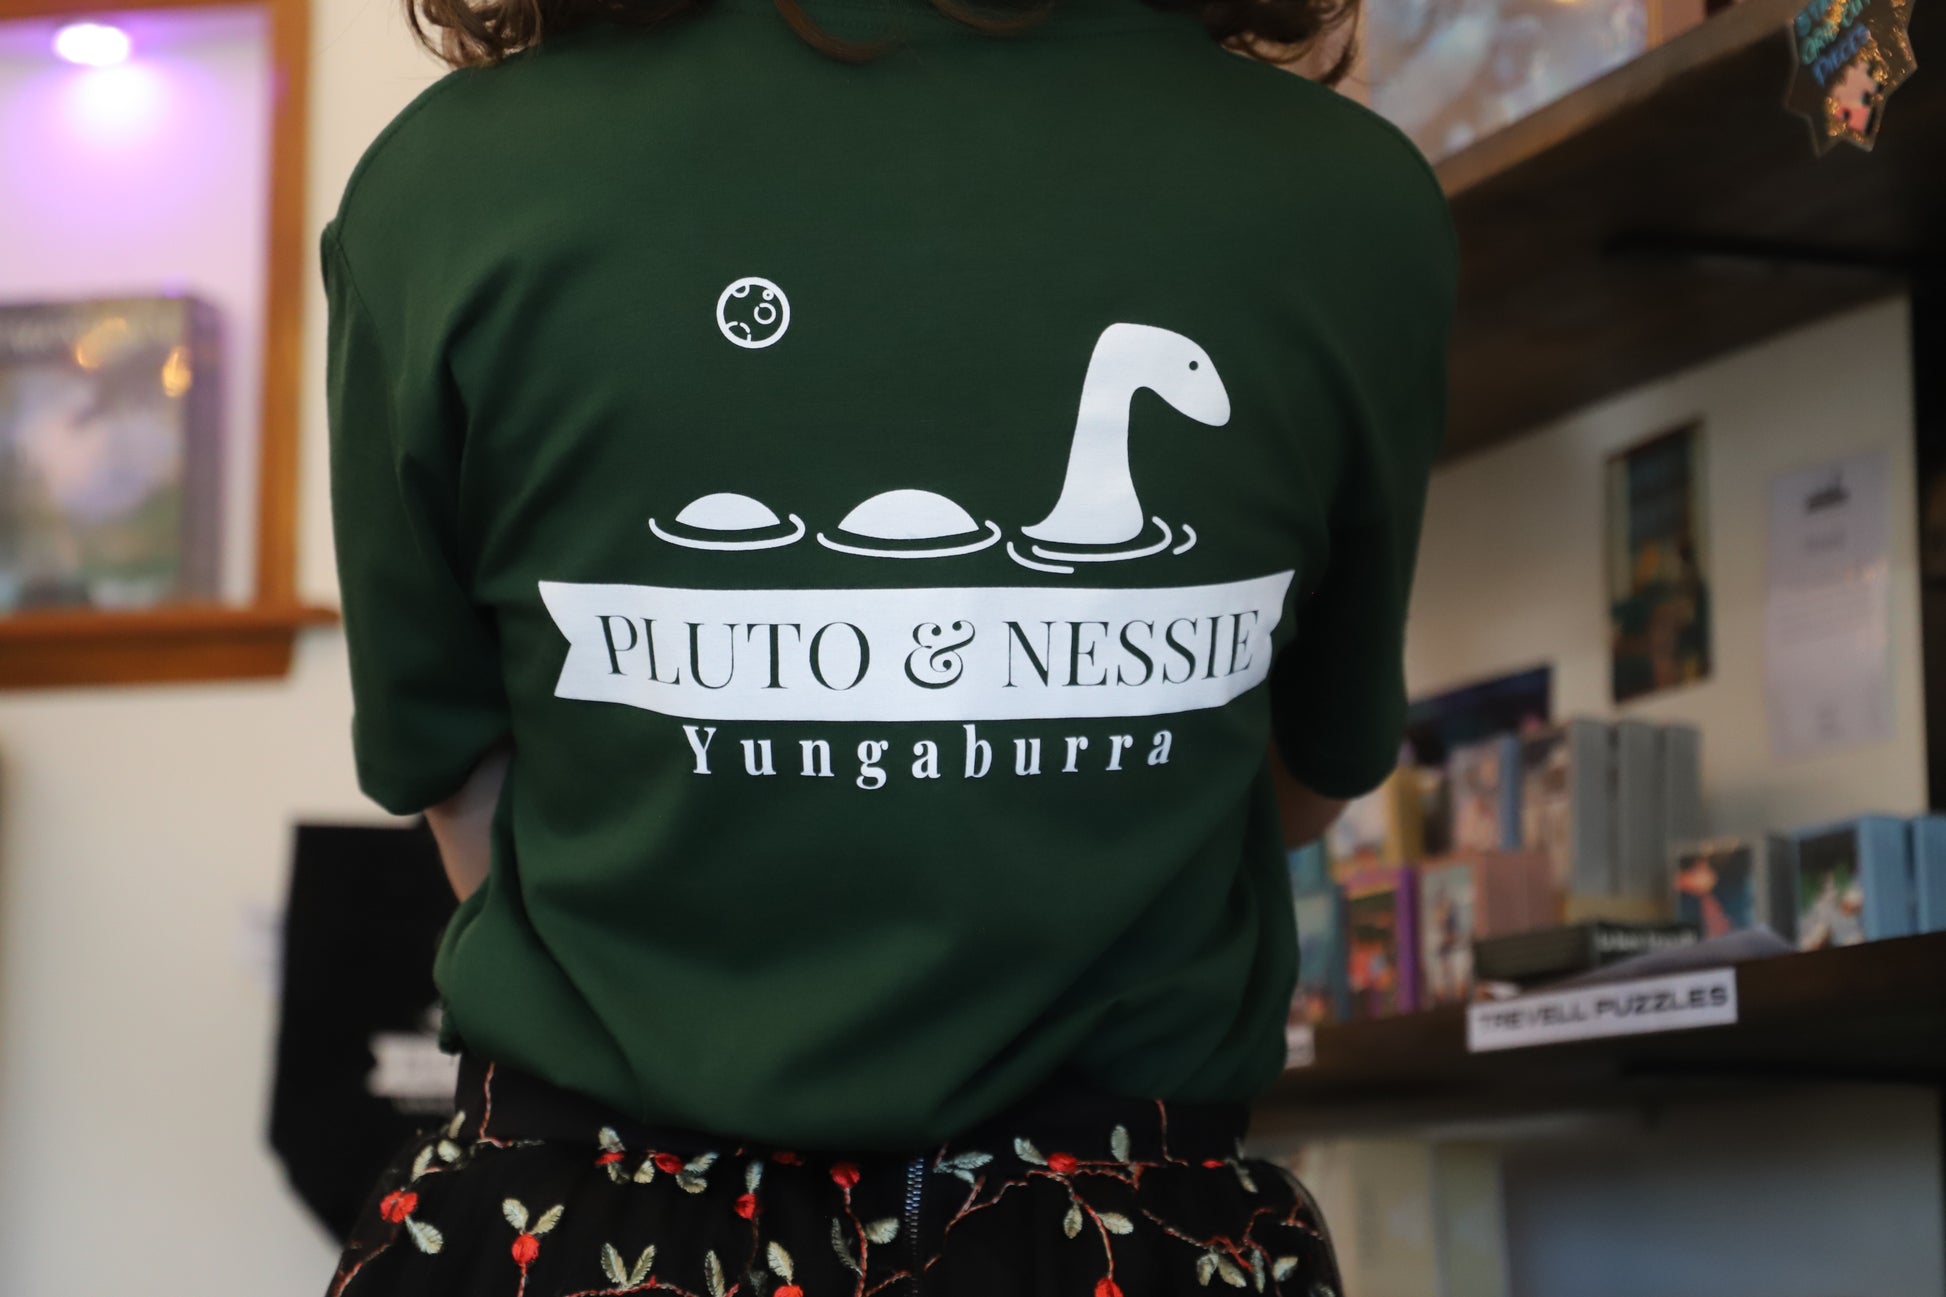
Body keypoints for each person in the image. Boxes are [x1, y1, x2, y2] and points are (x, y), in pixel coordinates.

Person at [318, 0, 1455, 1287]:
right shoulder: (1345, 196)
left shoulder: (446, 183)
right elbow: (1303, 773)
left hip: (579, 1238)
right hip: (1124, 1239)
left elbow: (460, 791)